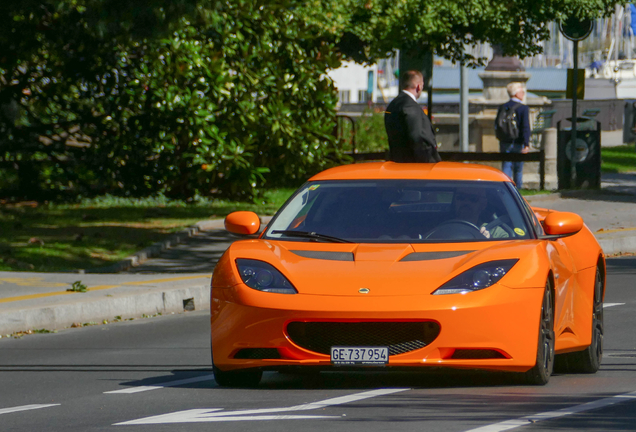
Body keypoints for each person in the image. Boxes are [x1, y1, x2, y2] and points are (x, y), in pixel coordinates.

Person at [384, 70, 441, 163]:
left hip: (397, 162)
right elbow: (417, 138)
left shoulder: (393, 105)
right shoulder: (410, 106)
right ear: (418, 86)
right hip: (415, 166)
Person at [496, 82, 531, 188]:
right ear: (516, 93)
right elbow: (525, 127)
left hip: (505, 141)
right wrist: (526, 143)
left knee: (506, 166)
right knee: (518, 169)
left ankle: (506, 189)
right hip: (518, 141)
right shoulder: (523, 108)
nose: (523, 94)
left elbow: (497, 124)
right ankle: (518, 191)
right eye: (522, 91)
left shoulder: (503, 107)